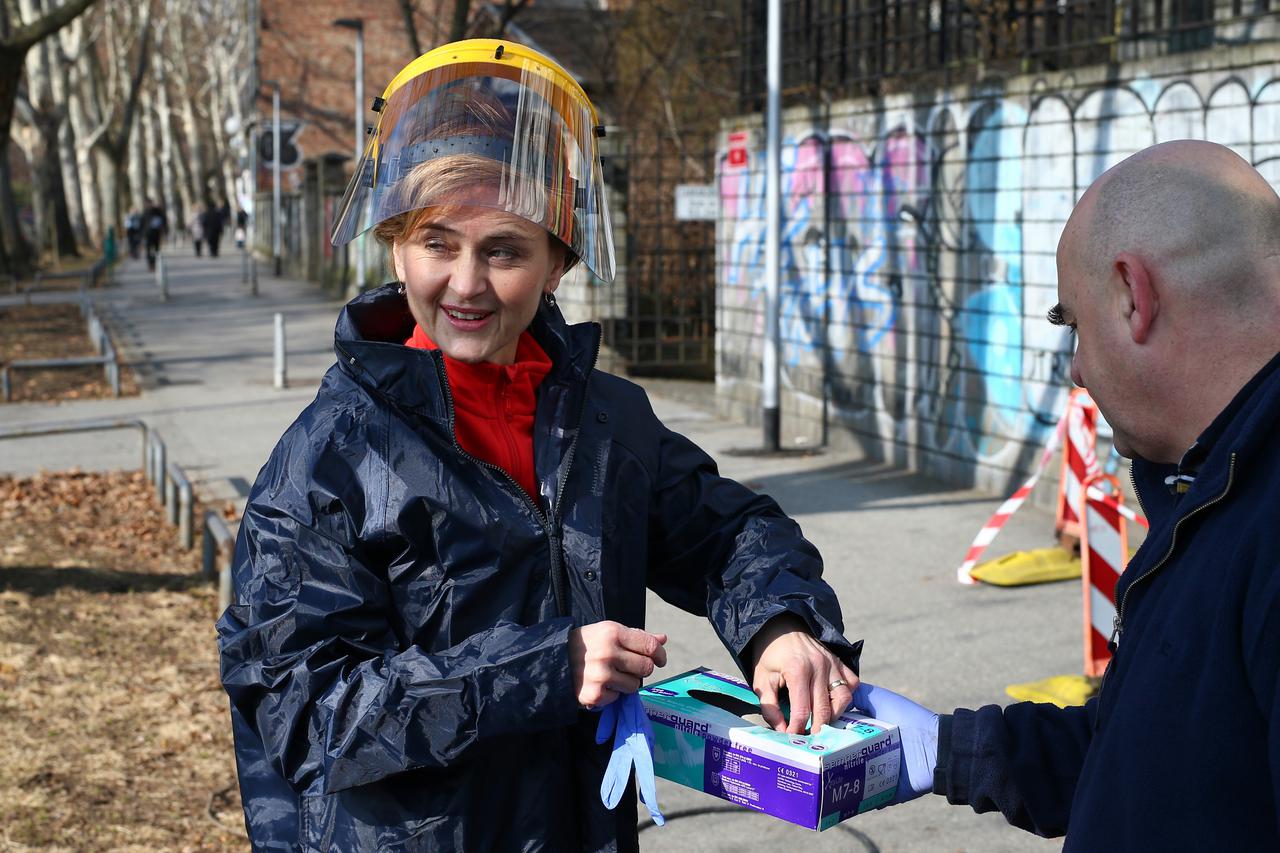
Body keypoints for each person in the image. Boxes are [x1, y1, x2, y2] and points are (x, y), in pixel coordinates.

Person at [217, 38, 862, 852]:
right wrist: (545, 668)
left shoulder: (604, 421)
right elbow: (306, 711)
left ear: (558, 262)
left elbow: (728, 532)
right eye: (437, 243)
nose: (466, 283)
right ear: (395, 247)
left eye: (505, 250)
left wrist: (780, 625)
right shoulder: (326, 460)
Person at [857, 140, 1280, 850]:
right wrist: (944, 750)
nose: (1076, 370)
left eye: (1074, 325)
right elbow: (1154, 749)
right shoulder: (1216, 484)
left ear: (1133, 295)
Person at [143, 199, 166, 271]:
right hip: (147, 235)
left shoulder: (157, 211)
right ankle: (151, 265)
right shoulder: (145, 212)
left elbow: (163, 220)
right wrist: (142, 235)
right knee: (148, 250)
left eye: (149, 203)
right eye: (147, 204)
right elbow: (142, 223)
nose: (148, 205)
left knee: (156, 249)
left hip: (156, 234)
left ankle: (156, 263)